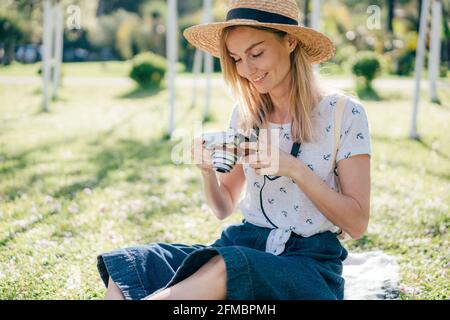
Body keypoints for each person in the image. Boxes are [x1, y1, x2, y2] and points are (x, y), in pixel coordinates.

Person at [97, 0, 371, 300]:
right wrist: (207, 172)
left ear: (290, 41)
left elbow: (356, 223)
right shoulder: (246, 114)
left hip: (308, 263)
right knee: (136, 264)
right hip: (243, 244)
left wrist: (294, 169)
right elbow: (223, 206)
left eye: (256, 53)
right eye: (237, 58)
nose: (247, 69)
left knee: (227, 269)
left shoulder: (343, 113)